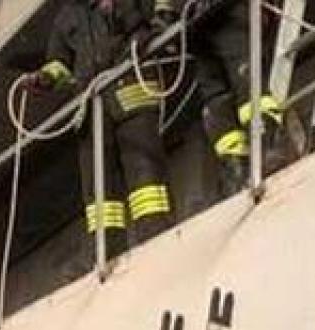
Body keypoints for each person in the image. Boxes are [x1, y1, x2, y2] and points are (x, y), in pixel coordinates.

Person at [30, 0, 177, 255]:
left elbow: (153, 17)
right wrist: (46, 78)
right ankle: (106, 252)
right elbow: (59, 63)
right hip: (92, 107)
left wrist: (138, 28)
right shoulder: (67, 16)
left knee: (143, 168)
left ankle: (156, 234)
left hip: (130, 88)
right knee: (98, 188)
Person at [168, 0, 289, 194]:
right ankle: (236, 168)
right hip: (196, 27)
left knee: (246, 84)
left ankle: (269, 143)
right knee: (216, 100)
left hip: (231, 12)